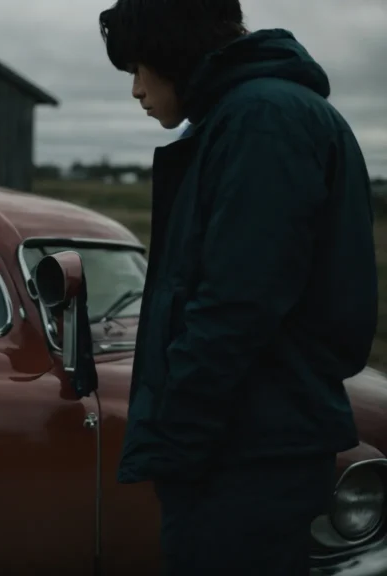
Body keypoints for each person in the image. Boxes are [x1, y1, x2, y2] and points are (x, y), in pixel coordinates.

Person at [97, 1, 378, 574]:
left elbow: (236, 301)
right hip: (250, 438)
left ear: (171, 50)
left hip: (247, 450)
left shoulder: (262, 120)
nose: (135, 90)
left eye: (137, 67)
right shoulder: (251, 115)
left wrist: (180, 435)